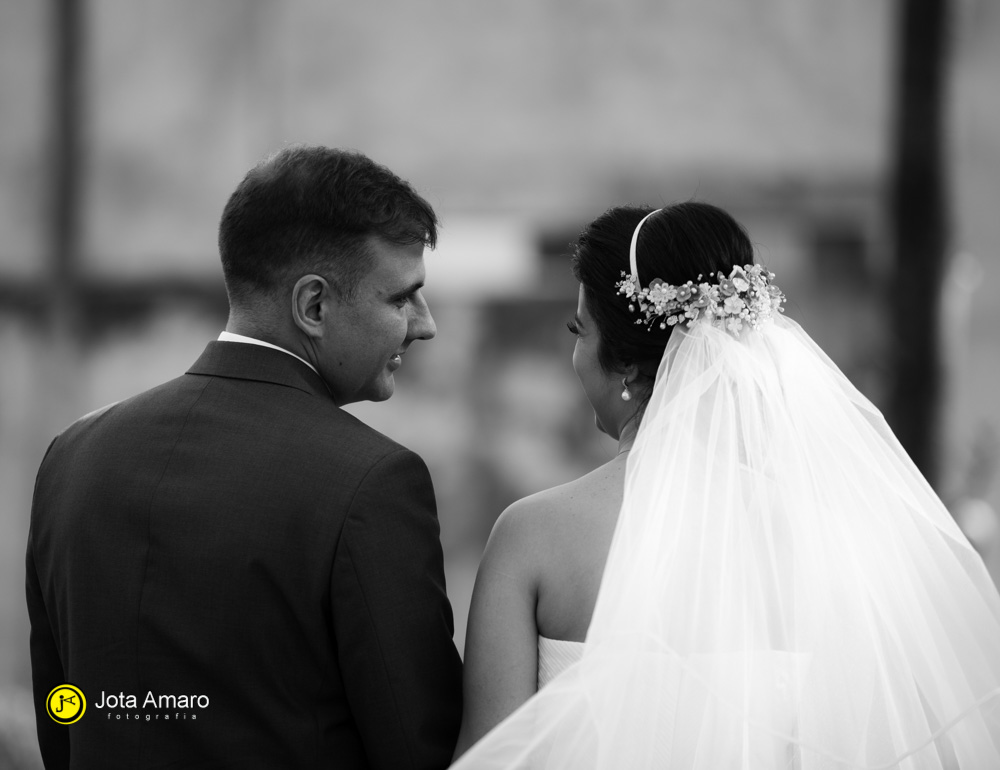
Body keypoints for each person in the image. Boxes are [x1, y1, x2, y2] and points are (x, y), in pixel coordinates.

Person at [453, 202, 1000, 768]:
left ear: (628, 366)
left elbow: (489, 755)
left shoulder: (533, 536)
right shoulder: (825, 535)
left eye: (579, 331)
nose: (575, 352)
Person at [26, 145, 463, 769]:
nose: (425, 325)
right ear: (313, 306)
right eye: (401, 298)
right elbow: (418, 747)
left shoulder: (71, 459)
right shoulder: (372, 483)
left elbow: (64, 724)